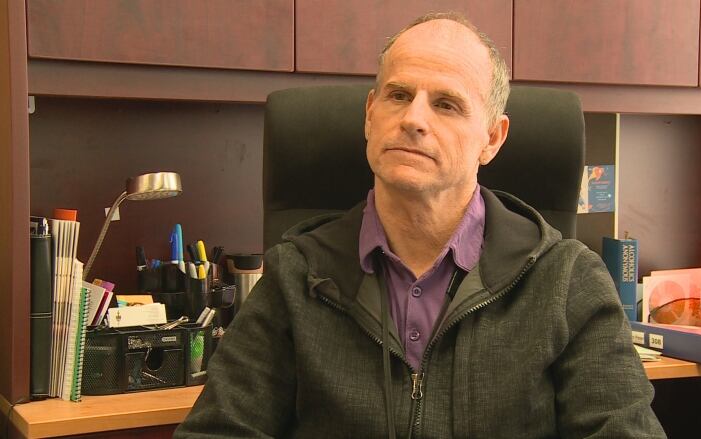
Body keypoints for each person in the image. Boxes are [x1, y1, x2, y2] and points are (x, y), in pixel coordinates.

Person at [175, 12, 666, 439]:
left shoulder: (568, 282)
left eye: (446, 104)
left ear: (492, 138)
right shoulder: (296, 276)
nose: (413, 118)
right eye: (398, 95)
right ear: (370, 115)